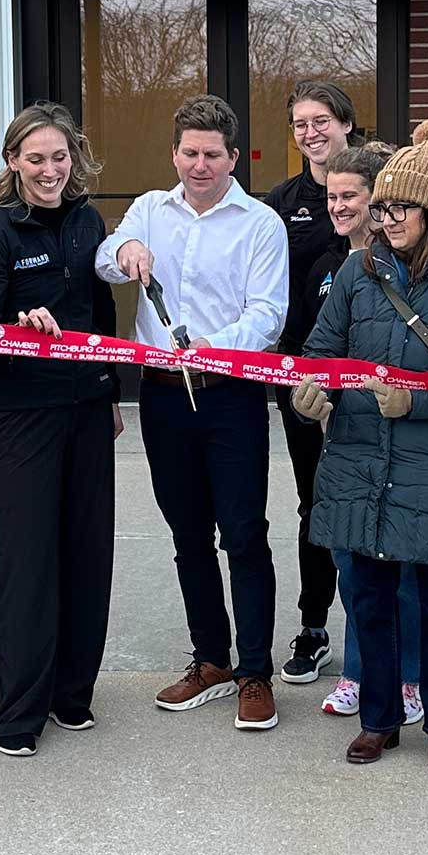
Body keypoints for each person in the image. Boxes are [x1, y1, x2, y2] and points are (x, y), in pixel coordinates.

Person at [291, 118, 428, 774]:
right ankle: (379, 719)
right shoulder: (358, 274)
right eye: (381, 207)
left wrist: (417, 399)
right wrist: (313, 394)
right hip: (359, 457)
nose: (383, 220)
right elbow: (320, 352)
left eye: (397, 208)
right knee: (370, 593)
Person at [96, 94, 289, 731]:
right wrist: (126, 254)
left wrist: (216, 348)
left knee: (243, 532)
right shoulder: (150, 210)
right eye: (189, 153)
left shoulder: (260, 223)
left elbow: (268, 314)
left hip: (230, 392)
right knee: (187, 534)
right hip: (162, 392)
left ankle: (255, 670)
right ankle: (211, 660)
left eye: (212, 155)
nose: (199, 165)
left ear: (233, 157)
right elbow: (105, 257)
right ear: (174, 153)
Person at [0, 102, 120, 757]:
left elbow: (104, 314)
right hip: (23, 413)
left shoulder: (89, 223)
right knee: (28, 561)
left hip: (87, 408)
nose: (50, 169)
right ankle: (18, 713)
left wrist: (110, 392)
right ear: (13, 163)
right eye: (36, 158)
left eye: (59, 157)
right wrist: (17, 330)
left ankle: (71, 695)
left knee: (87, 553)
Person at [296, 141, 423, 727]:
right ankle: (358, 668)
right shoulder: (330, 267)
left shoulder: (409, 269)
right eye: (331, 196)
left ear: (382, 203)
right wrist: (310, 395)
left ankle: (409, 676)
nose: (339, 206)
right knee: (351, 560)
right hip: (344, 437)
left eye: (351, 196)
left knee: (402, 567)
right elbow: (315, 352)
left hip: (406, 435)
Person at [264, 80, 355, 684]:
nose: (310, 132)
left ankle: (379, 632)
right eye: (300, 123)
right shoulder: (282, 200)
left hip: (371, 376)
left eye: (321, 120)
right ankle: (315, 625)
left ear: (347, 125)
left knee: (371, 501)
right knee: (314, 502)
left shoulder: (377, 181)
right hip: (300, 374)